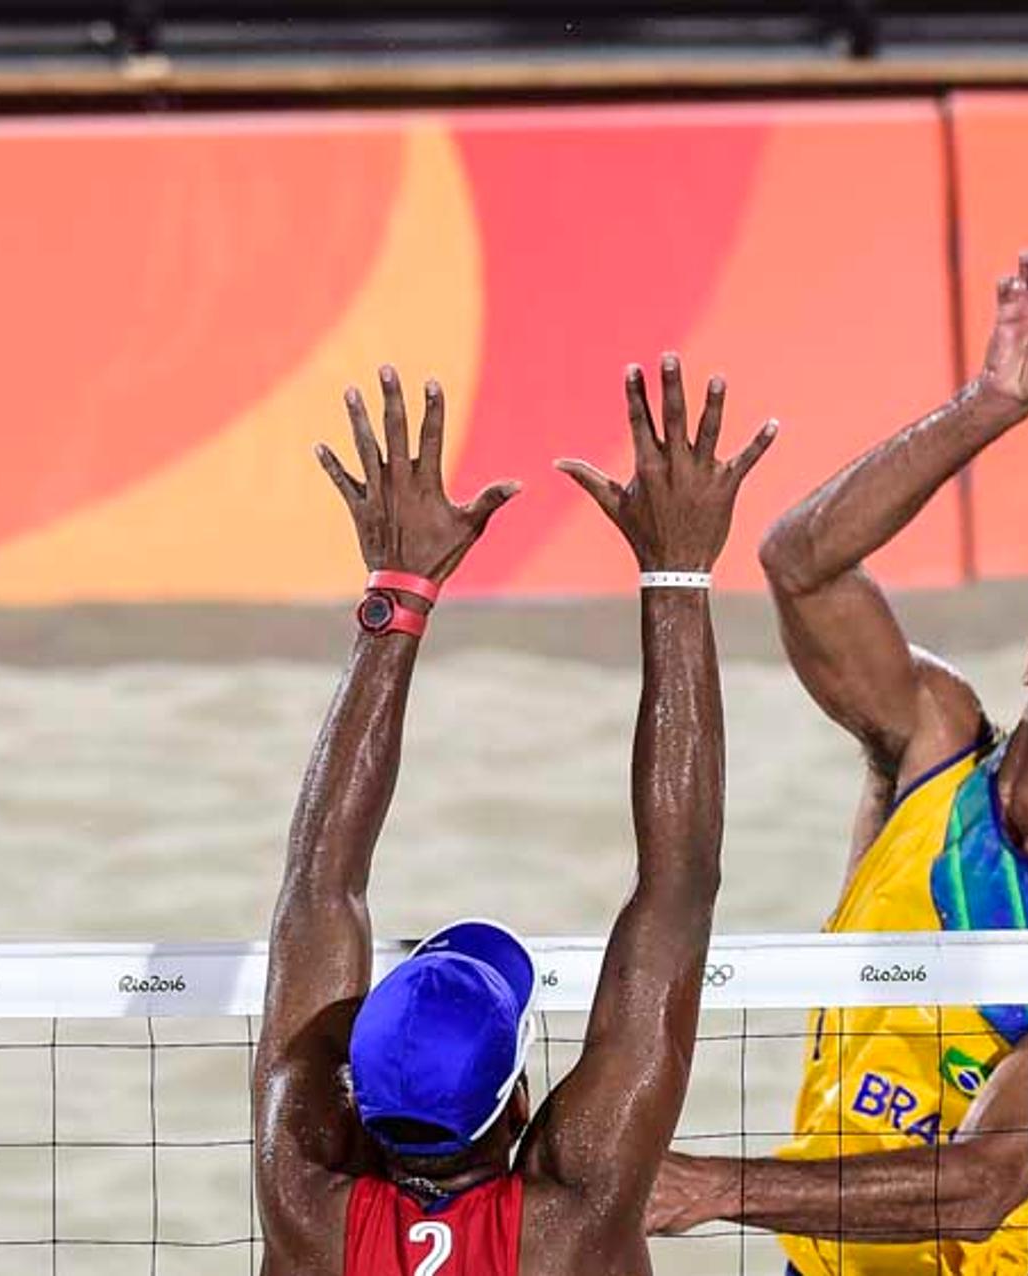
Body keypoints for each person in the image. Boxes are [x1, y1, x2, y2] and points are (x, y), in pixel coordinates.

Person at [647, 251, 1028, 1276]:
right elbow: (800, 564)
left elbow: (982, 1183)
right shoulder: (931, 745)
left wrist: (715, 1186)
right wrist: (993, 399)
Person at [253, 358, 775, 1276]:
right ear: (523, 1101)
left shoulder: (303, 1207)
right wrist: (678, 573)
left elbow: (318, 889)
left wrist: (398, 591)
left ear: (350, 1097)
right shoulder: (568, 1229)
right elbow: (678, 891)